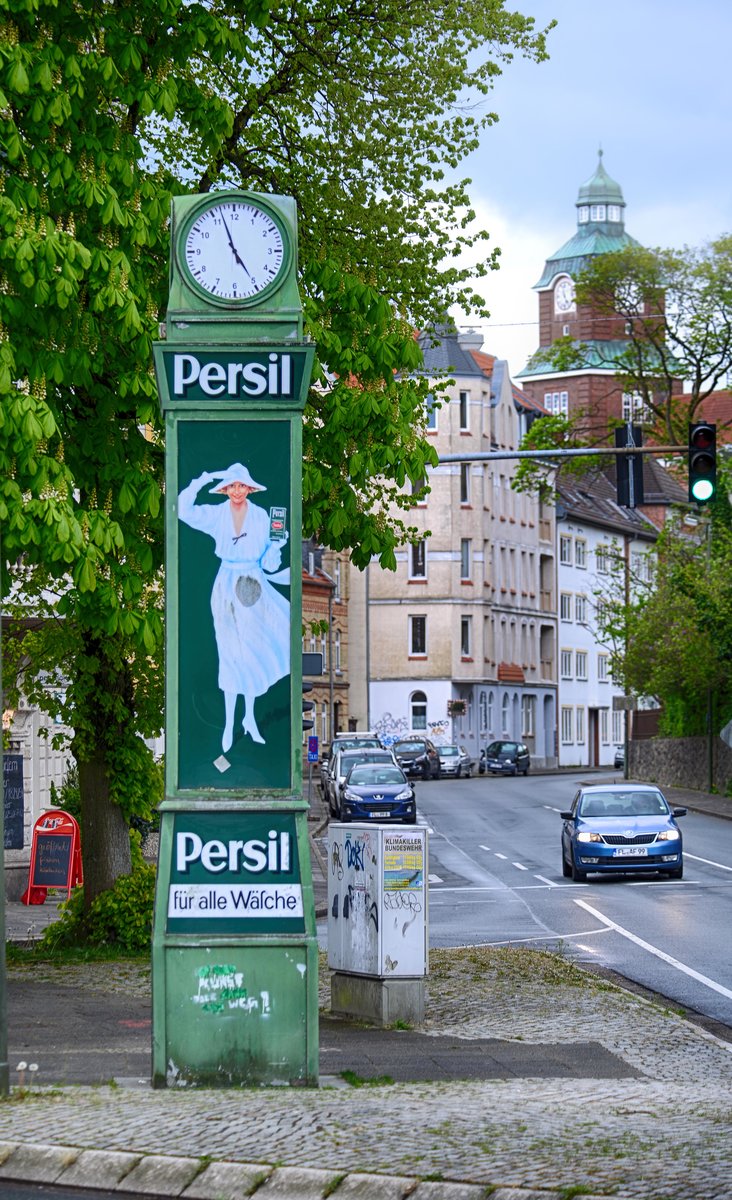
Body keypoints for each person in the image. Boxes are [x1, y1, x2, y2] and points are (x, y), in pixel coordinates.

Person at [178, 463, 289, 754]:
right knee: (228, 651)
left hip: (252, 581)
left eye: (242, 486)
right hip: (226, 581)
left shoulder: (262, 517)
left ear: (249, 488)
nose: (237, 491)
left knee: (250, 650)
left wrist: (277, 547)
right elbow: (183, 510)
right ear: (225, 489)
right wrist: (199, 480)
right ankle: (229, 724)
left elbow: (269, 563)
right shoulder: (216, 514)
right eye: (232, 486)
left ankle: (249, 717)